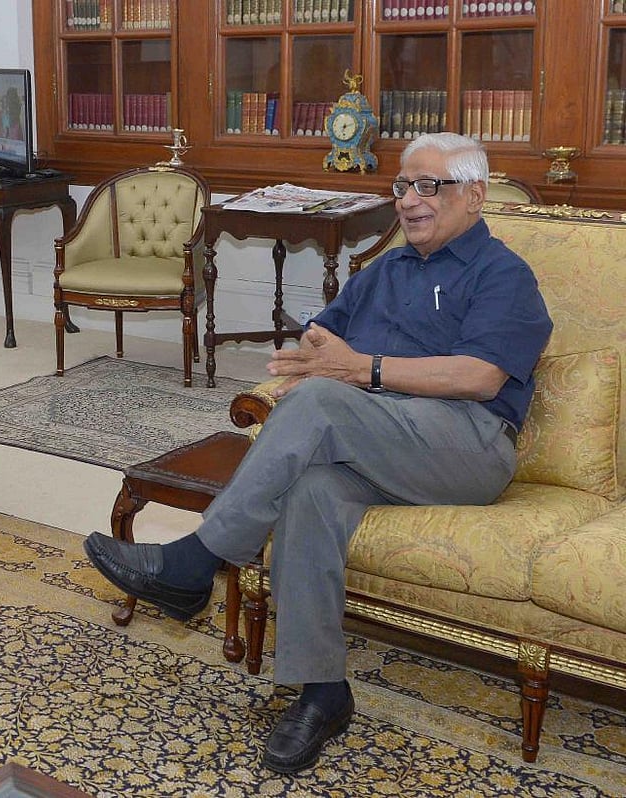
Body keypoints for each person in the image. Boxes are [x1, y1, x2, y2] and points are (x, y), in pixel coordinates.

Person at [83, 132, 552, 773]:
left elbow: (480, 377)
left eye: (429, 186)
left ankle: (196, 562)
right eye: (401, 186)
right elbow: (324, 334)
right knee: (310, 493)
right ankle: (322, 691)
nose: (410, 201)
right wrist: (315, 351)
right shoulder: (384, 269)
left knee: (319, 403)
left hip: (467, 446)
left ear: (474, 195)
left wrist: (362, 370)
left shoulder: (505, 275)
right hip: (380, 444)